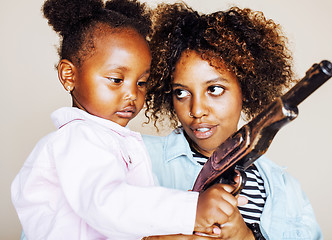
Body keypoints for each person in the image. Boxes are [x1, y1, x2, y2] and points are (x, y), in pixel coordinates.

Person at [11, 0, 241, 239]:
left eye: (141, 82)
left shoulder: (114, 141)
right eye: (116, 79)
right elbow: (108, 205)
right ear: (69, 75)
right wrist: (191, 208)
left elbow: (134, 219)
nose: (133, 94)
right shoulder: (78, 138)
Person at [143, 2, 323, 239]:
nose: (196, 110)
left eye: (215, 89)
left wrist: (246, 237)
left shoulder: (285, 189)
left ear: (246, 90)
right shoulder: (134, 157)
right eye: (181, 93)